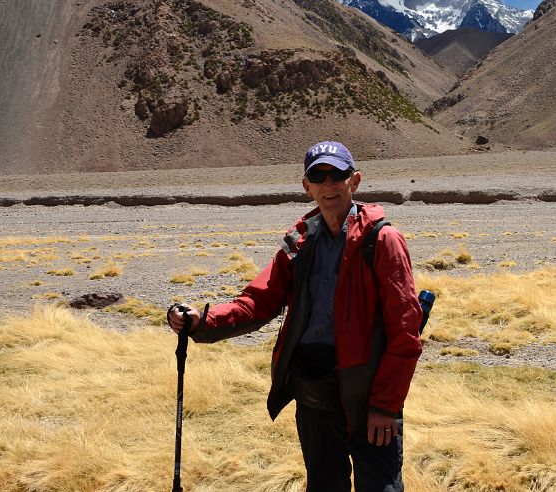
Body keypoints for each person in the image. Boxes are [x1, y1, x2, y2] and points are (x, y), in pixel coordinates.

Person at [167, 140, 422, 492]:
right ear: (306, 186)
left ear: (355, 180)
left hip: (367, 400)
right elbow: (258, 301)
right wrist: (203, 322)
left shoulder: (382, 241)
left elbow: (405, 331)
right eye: (319, 176)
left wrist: (385, 405)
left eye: (338, 175)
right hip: (314, 394)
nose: (329, 184)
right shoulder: (299, 242)